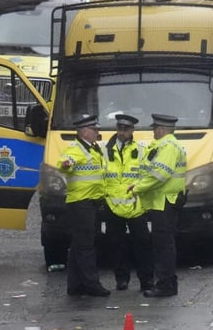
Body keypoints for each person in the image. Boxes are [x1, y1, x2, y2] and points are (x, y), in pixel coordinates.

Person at [128, 114, 187, 298]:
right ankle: (166, 282)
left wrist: (138, 187)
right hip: (163, 201)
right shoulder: (166, 145)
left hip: (165, 202)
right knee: (164, 244)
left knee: (163, 245)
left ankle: (166, 285)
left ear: (161, 129)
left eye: (155, 128)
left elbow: (160, 174)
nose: (153, 131)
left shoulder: (168, 147)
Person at [57, 114, 110, 297]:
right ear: (84, 132)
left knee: (79, 245)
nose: (97, 133)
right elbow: (65, 163)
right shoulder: (76, 149)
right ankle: (91, 284)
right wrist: (66, 164)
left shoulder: (93, 149)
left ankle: (75, 285)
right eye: (94, 130)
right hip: (81, 203)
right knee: (86, 245)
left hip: (90, 202)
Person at [103, 113, 154, 292]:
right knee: (116, 244)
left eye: (126, 129)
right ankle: (121, 279)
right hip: (112, 205)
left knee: (142, 244)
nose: (122, 132)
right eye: (119, 129)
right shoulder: (104, 150)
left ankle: (146, 280)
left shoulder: (141, 150)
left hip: (135, 206)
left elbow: (148, 175)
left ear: (132, 130)